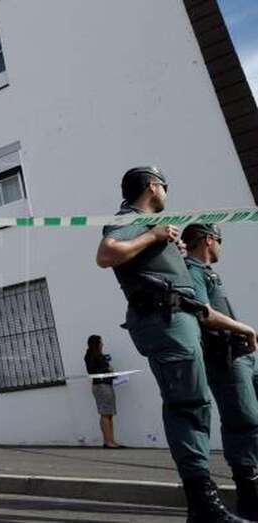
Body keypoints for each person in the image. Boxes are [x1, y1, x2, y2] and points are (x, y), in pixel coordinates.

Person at [96, 166, 249, 522]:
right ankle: (203, 505)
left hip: (179, 318)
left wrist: (168, 247)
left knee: (194, 403)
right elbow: (106, 254)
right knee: (188, 405)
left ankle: (204, 504)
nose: (166, 193)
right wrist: (153, 236)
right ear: (153, 186)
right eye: (165, 186)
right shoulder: (131, 218)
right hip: (164, 318)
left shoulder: (149, 225)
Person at [182, 223, 258, 520]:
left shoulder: (207, 272)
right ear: (209, 240)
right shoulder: (193, 270)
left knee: (252, 421)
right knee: (244, 421)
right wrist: (245, 328)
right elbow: (204, 312)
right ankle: (249, 496)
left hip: (242, 355)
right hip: (225, 358)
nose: (220, 247)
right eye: (220, 241)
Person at [84, 335, 121, 448]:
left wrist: (112, 373)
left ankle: (110, 440)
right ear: (96, 344)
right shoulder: (90, 355)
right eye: (100, 342)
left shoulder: (100, 356)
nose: (102, 344)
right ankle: (108, 442)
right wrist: (107, 369)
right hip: (101, 386)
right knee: (105, 413)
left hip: (107, 384)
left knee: (109, 414)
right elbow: (92, 371)